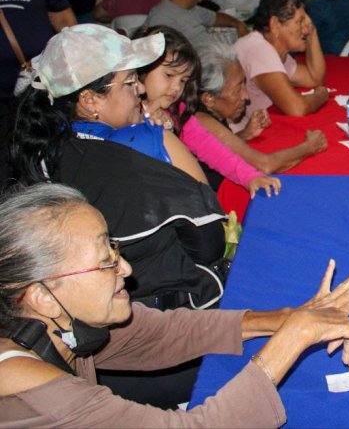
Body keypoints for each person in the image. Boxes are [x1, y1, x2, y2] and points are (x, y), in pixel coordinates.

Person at [0, 182, 349, 425]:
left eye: (114, 249)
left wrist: (288, 318)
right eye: (105, 261)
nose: (125, 268)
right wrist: (291, 339)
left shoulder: (62, 326)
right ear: (43, 297)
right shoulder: (40, 398)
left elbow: (164, 333)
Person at [9, 24, 227, 311]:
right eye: (129, 81)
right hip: (169, 309)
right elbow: (209, 240)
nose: (140, 89)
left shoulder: (41, 148)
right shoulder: (142, 144)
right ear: (90, 100)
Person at [135, 25, 284, 197]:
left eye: (183, 80)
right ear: (142, 67)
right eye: (169, 75)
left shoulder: (178, 112)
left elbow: (210, 148)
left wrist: (249, 176)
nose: (176, 87)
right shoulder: (125, 115)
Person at [196, 40, 327, 178]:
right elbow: (265, 165)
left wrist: (245, 134)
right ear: (208, 99)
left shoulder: (209, 111)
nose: (246, 96)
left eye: (244, 84)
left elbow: (219, 147)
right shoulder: (201, 120)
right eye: (237, 89)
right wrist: (308, 147)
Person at [232, 0, 328, 130]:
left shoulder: (273, 50)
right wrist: (321, 95)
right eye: (300, 21)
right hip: (241, 137)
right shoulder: (258, 50)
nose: (305, 29)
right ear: (275, 25)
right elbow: (298, 108)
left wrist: (312, 33)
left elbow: (314, 78)